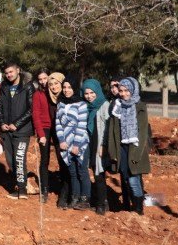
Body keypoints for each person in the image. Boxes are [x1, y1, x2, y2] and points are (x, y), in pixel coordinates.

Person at [107, 77, 150, 215]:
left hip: (135, 148)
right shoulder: (117, 106)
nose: (124, 94)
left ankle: (138, 209)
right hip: (121, 149)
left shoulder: (140, 106)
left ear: (133, 90)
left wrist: (137, 154)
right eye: (121, 91)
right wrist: (112, 152)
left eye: (127, 91)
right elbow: (112, 131)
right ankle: (131, 205)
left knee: (133, 179)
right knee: (125, 178)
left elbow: (143, 132)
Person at [0, 60, 34, 199]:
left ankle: (22, 190)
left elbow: (31, 109)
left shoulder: (28, 87)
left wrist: (17, 124)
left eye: (11, 72)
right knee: (11, 160)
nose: (9, 75)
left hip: (22, 130)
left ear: (18, 70)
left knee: (19, 159)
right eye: (6, 73)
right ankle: (18, 186)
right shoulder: (4, 87)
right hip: (7, 130)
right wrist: (1, 123)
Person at [55, 76, 89, 209]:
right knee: (72, 172)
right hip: (65, 143)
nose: (66, 90)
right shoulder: (61, 104)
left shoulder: (81, 104)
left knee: (82, 171)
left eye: (69, 87)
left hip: (79, 142)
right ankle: (74, 198)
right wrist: (61, 140)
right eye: (64, 87)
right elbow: (58, 124)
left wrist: (76, 145)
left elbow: (81, 125)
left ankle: (85, 198)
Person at [81, 79, 110, 215]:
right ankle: (102, 202)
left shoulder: (104, 105)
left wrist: (103, 145)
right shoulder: (86, 106)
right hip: (90, 143)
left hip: (100, 144)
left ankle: (101, 205)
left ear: (97, 91)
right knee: (94, 171)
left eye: (92, 92)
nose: (89, 96)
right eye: (86, 93)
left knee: (99, 174)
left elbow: (108, 129)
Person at [32, 69, 55, 202]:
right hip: (44, 129)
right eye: (40, 79)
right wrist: (41, 134)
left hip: (57, 128)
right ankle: (44, 189)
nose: (43, 81)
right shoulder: (38, 94)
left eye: (45, 78)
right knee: (44, 159)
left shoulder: (57, 92)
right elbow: (36, 114)